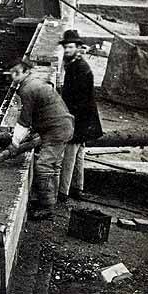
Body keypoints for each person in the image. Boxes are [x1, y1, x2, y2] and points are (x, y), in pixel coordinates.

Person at [7, 58, 74, 220]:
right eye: (12, 73)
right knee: (54, 166)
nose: (13, 77)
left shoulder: (28, 89)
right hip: (62, 126)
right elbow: (42, 111)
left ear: (26, 72)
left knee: (43, 166)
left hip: (56, 131)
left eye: (17, 73)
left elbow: (24, 120)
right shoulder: (35, 83)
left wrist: (15, 143)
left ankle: (47, 208)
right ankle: (50, 200)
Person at [57, 30, 102, 201]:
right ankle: (77, 187)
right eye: (65, 47)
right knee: (79, 153)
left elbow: (79, 100)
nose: (67, 50)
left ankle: (63, 192)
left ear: (78, 48)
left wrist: (68, 119)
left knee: (69, 155)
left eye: (70, 47)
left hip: (79, 118)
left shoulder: (80, 69)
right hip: (85, 118)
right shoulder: (75, 65)